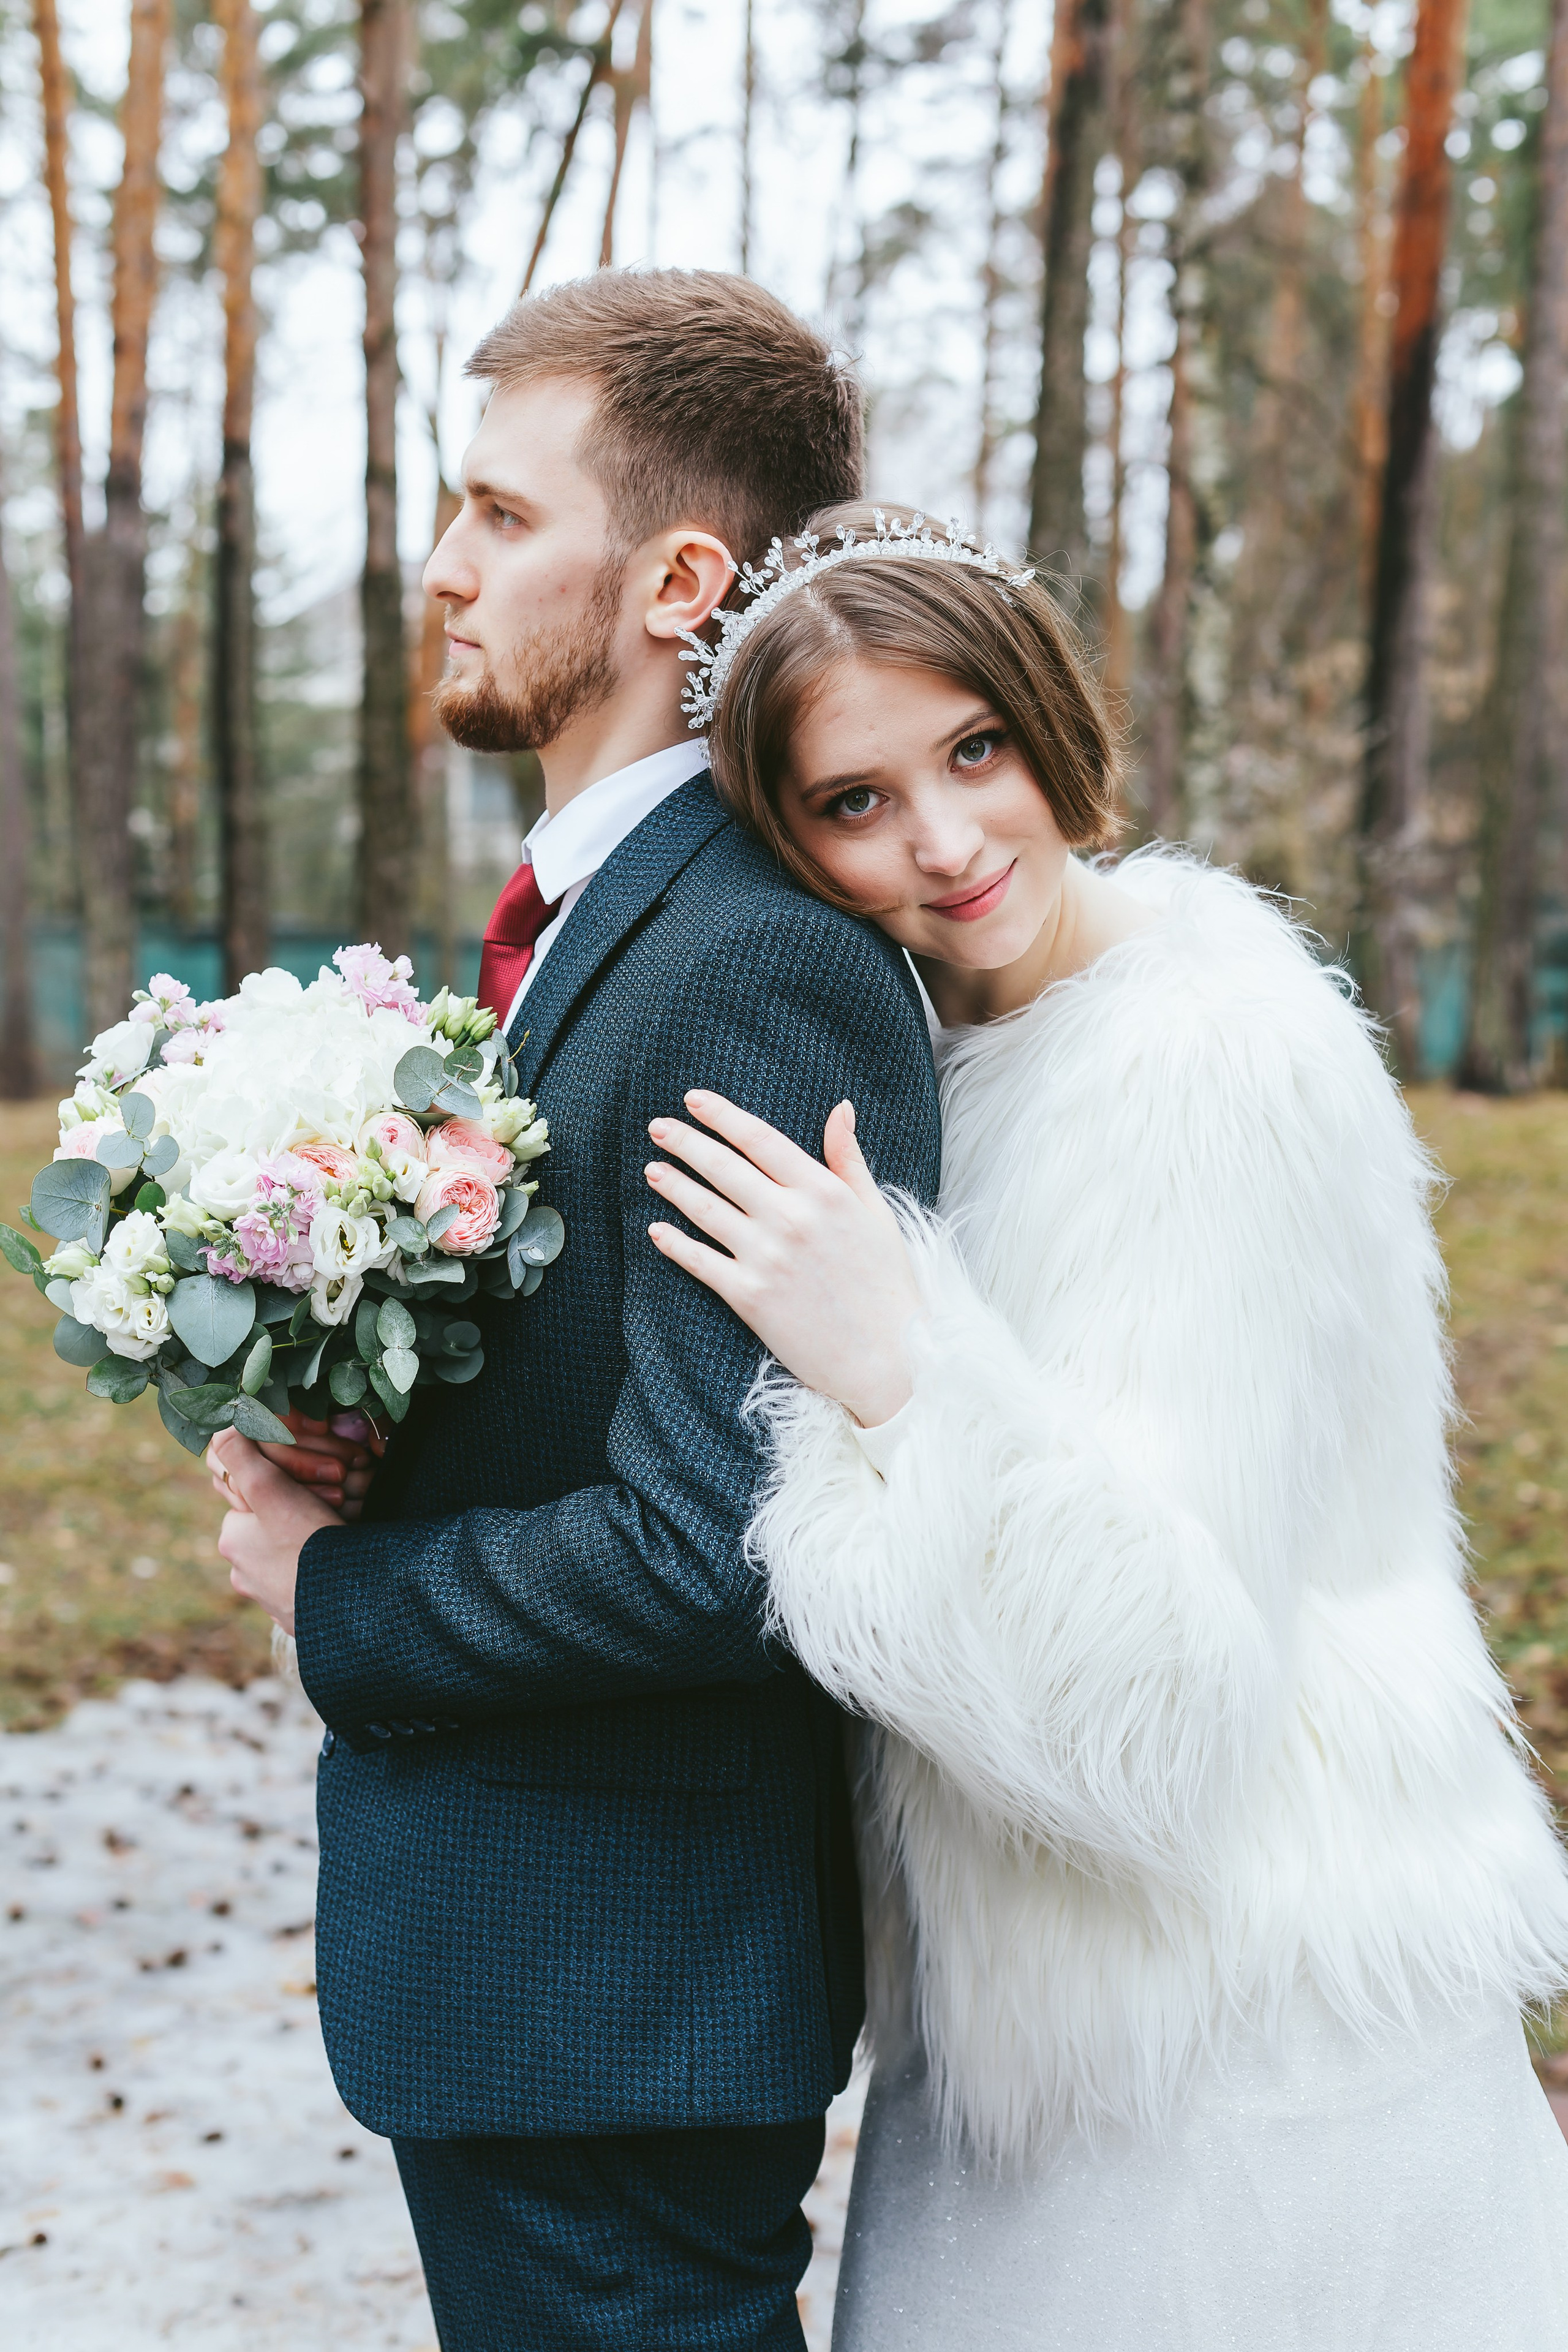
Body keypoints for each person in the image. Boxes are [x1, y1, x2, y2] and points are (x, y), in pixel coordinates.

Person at [641, 504, 1568, 2348]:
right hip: (1050, 2019)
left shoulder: (1195, 1062)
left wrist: (900, 1371)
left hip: (1244, 2040)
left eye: (974, 747)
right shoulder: (951, 1048)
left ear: (1049, 717)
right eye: (858, 800)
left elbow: (1154, 1704)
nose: (951, 838)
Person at [205, 277, 941, 2351]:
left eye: (499, 516)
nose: (443, 568)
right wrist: (343, 1398)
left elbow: (725, 1545)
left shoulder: (746, 956)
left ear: (674, 576)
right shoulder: (607, 911)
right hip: (556, 1989)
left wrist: (337, 1583)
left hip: (618, 1993)